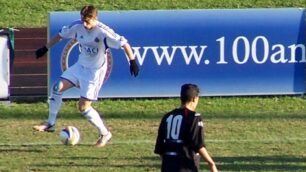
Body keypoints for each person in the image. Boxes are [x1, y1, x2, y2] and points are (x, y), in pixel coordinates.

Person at [33, 5, 139, 147]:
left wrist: (132, 61)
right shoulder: (77, 26)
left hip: (94, 72)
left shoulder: (103, 32)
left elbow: (124, 44)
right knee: (57, 87)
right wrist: (45, 48)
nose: (84, 24)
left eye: (87, 22)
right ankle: (50, 124)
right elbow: (60, 36)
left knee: (83, 107)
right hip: (79, 66)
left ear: (95, 18)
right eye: (83, 20)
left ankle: (105, 134)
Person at [154, 84, 218, 172]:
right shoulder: (194, 117)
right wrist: (211, 163)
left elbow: (160, 147)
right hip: (186, 166)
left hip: (167, 167)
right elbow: (197, 144)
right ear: (194, 98)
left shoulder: (167, 117)